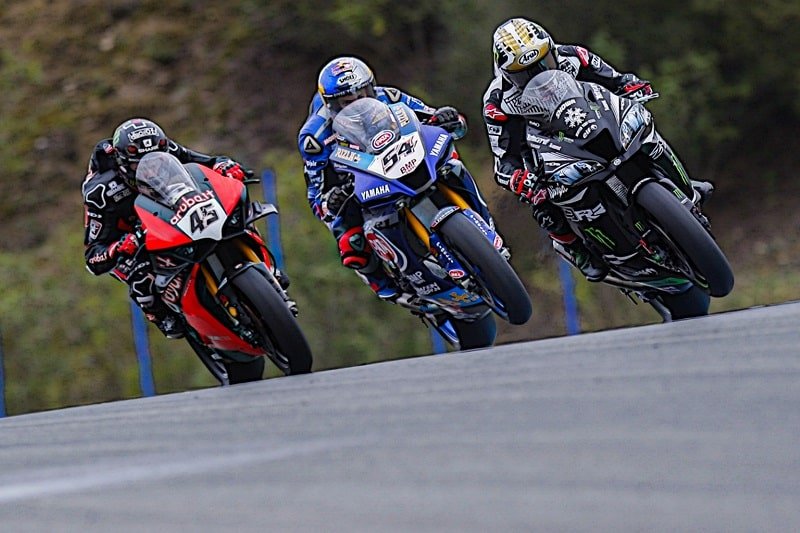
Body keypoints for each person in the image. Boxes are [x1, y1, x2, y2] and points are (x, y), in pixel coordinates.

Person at [483, 17, 714, 281]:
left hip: (592, 121)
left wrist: (632, 85)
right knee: (542, 199)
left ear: (552, 50)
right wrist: (518, 178)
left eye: (543, 62)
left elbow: (614, 80)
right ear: (504, 73)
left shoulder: (573, 56)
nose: (538, 74)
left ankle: (683, 187)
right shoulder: (497, 103)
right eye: (523, 73)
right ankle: (575, 248)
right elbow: (503, 160)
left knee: (643, 129)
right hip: (542, 147)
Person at [298, 56, 495, 303]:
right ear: (331, 104)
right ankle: (385, 286)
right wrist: (331, 201)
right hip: (355, 182)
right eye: (347, 101)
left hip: (404, 160)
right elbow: (316, 196)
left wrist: (446, 118)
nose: (358, 103)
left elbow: (432, 117)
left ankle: (484, 220)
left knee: (452, 165)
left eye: (363, 94)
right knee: (351, 242)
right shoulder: (314, 137)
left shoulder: (389, 96)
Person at [82, 118, 252, 338]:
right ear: (122, 162)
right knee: (140, 276)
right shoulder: (101, 192)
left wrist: (224, 165)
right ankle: (161, 317)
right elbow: (92, 256)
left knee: (233, 213)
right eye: (139, 165)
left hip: (170, 209)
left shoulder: (166, 148)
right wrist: (118, 247)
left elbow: (205, 162)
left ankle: (261, 263)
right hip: (129, 236)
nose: (152, 170)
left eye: (158, 162)